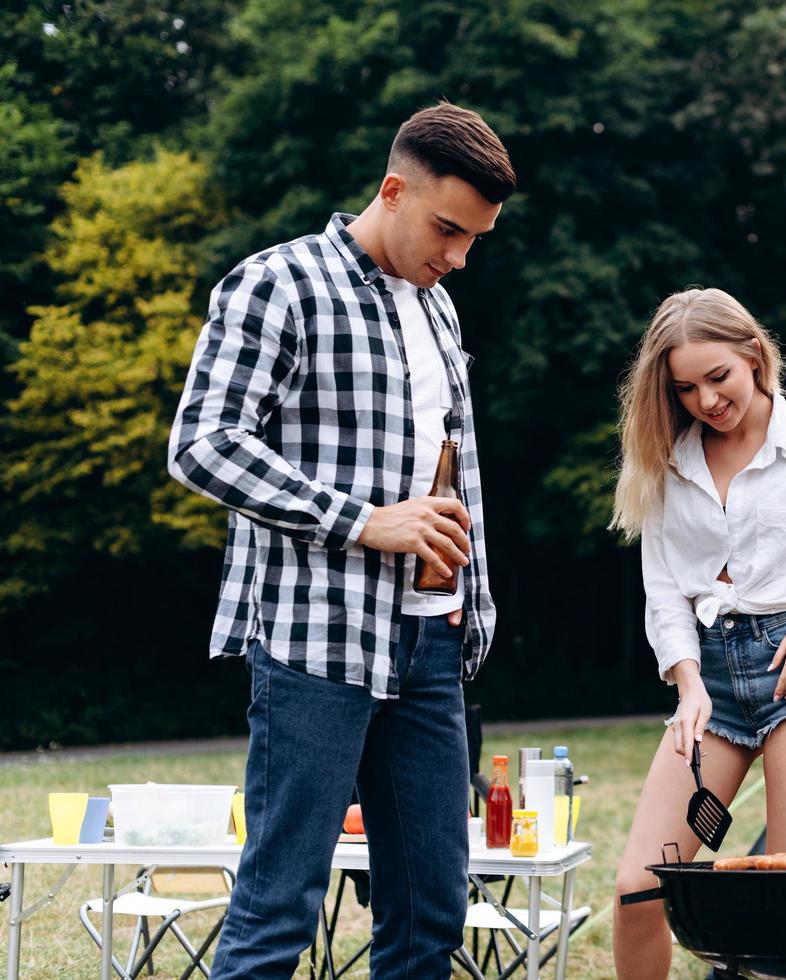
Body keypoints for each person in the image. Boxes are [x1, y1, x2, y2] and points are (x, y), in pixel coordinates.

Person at [167, 102, 515, 978]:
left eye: (475, 241)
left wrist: (471, 609)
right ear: (392, 190)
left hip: (429, 646)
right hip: (317, 642)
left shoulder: (440, 311)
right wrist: (362, 520)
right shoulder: (277, 282)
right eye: (446, 229)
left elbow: (450, 474)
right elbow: (202, 444)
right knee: (280, 904)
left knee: (431, 912)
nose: (458, 257)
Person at [609, 287, 786, 979]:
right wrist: (685, 684)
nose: (706, 399)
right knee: (637, 887)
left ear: (753, 356)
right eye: (685, 388)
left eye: (717, 377)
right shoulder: (668, 460)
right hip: (708, 676)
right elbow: (665, 589)